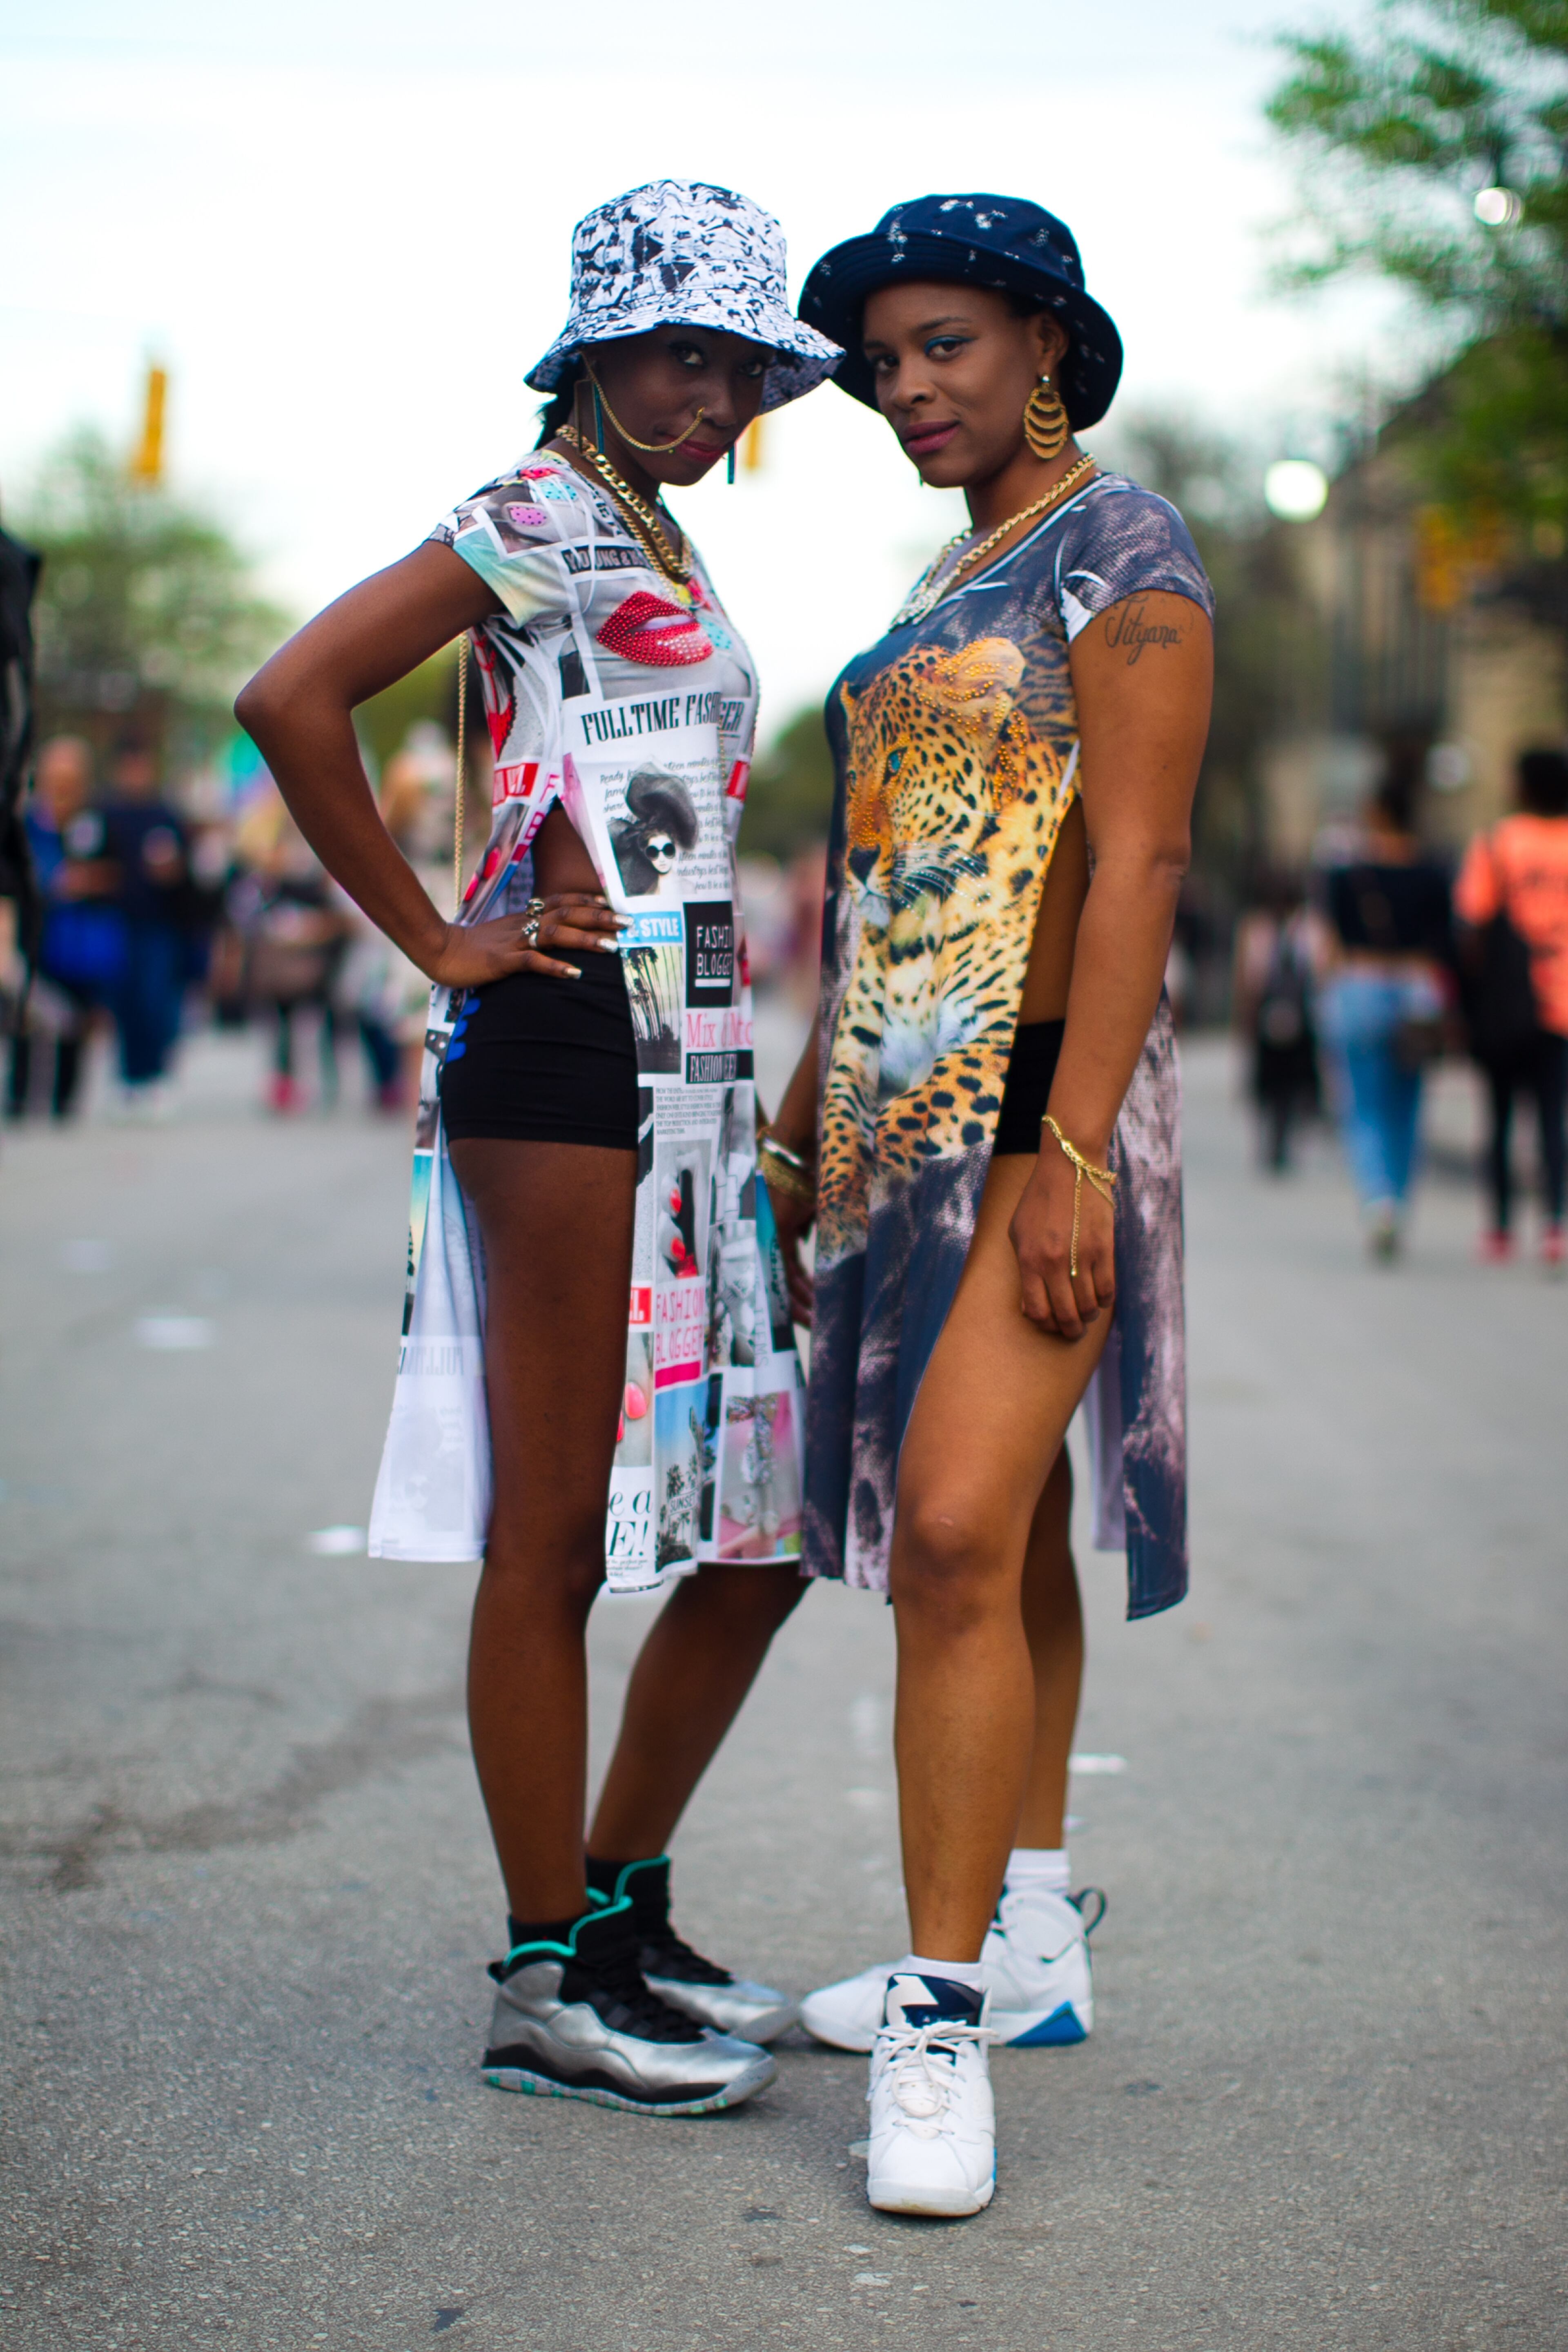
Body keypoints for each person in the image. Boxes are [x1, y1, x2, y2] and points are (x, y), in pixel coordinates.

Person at [236, 181, 839, 2118]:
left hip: (693, 1060)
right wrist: (434, 936)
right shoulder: (530, 513)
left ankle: (617, 1908)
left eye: (735, 360)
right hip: (569, 1046)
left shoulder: (645, 526)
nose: (706, 389)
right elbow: (289, 695)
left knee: (762, 1516)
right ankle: (539, 1983)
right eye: (673, 348)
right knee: (556, 1531)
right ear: (590, 349)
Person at [761, 193, 1213, 2218]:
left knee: (949, 1528)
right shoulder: (968, 563)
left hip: (1037, 1113)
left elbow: (1135, 864)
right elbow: (888, 885)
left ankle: (941, 2021)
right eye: (882, 359)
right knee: (1004, 1528)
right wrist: (797, 1121)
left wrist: (1071, 1144)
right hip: (889, 1119)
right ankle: (1025, 1937)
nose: (906, 386)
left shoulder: (1125, 552)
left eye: (944, 343)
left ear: (1045, 341)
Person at [1319, 753, 1453, 1260]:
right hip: (1418, 990)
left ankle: (1379, 1202)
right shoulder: (1434, 871)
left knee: (1364, 1105)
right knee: (1409, 1104)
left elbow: (1330, 944)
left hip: (1361, 985)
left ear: (1376, 811)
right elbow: (1448, 943)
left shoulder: (1346, 873)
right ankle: (1398, 1196)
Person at [1453, 746, 1568, 1267]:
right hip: (1562, 1002)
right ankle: (1555, 1225)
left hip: (1506, 1003)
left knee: (1498, 1117)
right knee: (1553, 1116)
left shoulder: (1499, 843)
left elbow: (1472, 922)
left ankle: (1499, 1228)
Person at [5, 735, 124, 1120]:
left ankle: (65, 1101)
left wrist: (87, 880)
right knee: (30, 1015)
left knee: (76, 1018)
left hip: (82, 939)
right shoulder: (28, 820)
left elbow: (119, 872)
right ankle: (21, 1097)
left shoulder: (95, 819)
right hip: (38, 932)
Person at [99, 735, 192, 1115]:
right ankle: (129, 1078)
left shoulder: (166, 814)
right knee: (125, 1003)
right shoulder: (105, 813)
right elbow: (87, 865)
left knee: (156, 1002)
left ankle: (155, 1075)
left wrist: (173, 873)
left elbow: (189, 873)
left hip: (160, 926)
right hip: (118, 923)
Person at [1232, 871, 1323, 1172]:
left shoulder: (1305, 929)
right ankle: (1275, 1136)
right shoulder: (1265, 929)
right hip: (1270, 1014)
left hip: (1294, 1016)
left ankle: (1280, 1136)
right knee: (1273, 1084)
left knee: (1287, 1083)